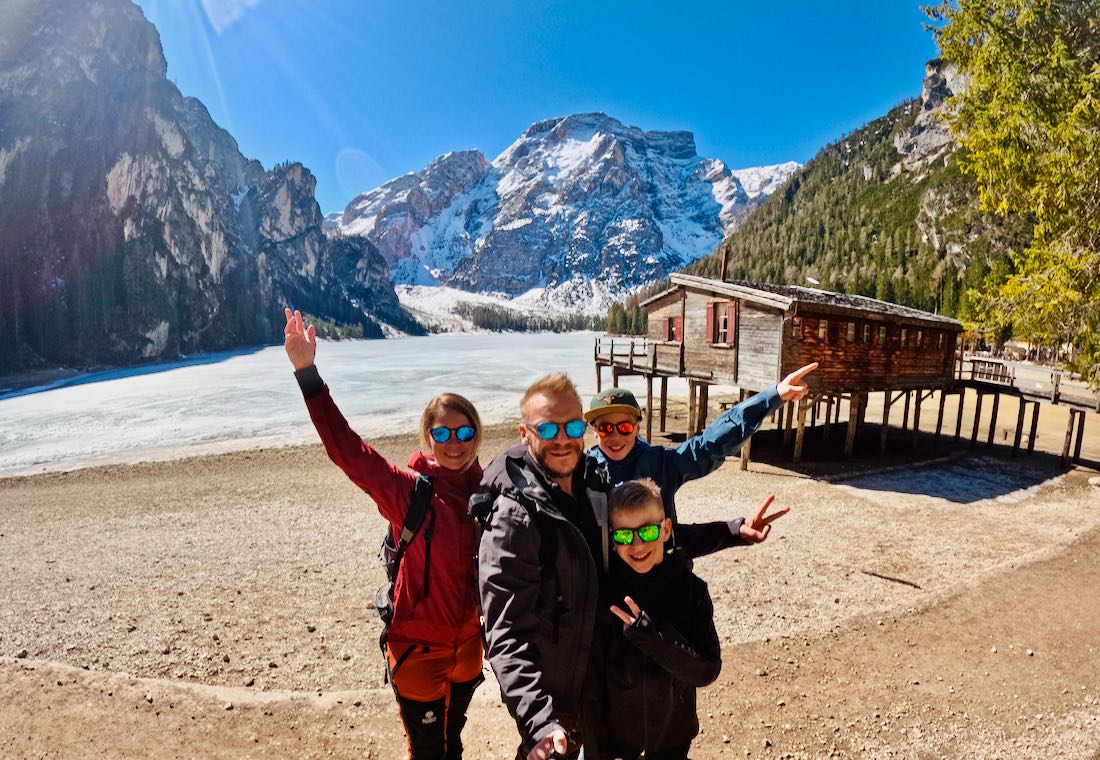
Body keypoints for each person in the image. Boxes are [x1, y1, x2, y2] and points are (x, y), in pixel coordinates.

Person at [283, 307, 484, 760]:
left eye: (464, 431)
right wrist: (307, 375)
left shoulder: (487, 491)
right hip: (418, 651)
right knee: (429, 752)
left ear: (477, 435)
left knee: (453, 743)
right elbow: (349, 452)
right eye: (443, 433)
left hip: (469, 649)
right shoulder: (409, 492)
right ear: (428, 438)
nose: (454, 443)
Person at [588, 479, 786, 760]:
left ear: (666, 529)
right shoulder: (605, 592)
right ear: (612, 537)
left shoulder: (691, 590)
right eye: (623, 536)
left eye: (647, 531)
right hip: (618, 739)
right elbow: (591, 685)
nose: (637, 544)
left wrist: (656, 639)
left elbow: (708, 670)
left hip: (672, 733)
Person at [472, 372, 611, 760]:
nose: (563, 439)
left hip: (596, 683)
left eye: (573, 427)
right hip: (554, 700)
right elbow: (505, 632)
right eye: (548, 428)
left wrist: (731, 531)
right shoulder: (513, 518)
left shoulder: (592, 485)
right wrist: (538, 722)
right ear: (524, 433)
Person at [584, 362, 817, 557]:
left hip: (662, 576)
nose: (615, 436)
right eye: (605, 428)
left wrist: (772, 396)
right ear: (594, 431)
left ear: (637, 428)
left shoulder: (661, 463)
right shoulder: (583, 471)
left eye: (624, 427)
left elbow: (710, 444)